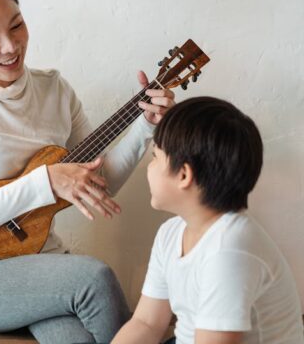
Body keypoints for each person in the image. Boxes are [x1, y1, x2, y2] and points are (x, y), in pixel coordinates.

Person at [0, 0, 175, 344]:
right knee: (93, 278)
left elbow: (99, 182)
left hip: (42, 264)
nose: (11, 47)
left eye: (17, 26)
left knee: (77, 338)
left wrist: (146, 127)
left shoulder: (53, 89)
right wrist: (47, 181)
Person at [111, 97, 304, 344]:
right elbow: (146, 323)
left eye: (155, 157)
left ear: (183, 175)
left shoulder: (229, 250)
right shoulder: (171, 233)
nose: (149, 167)